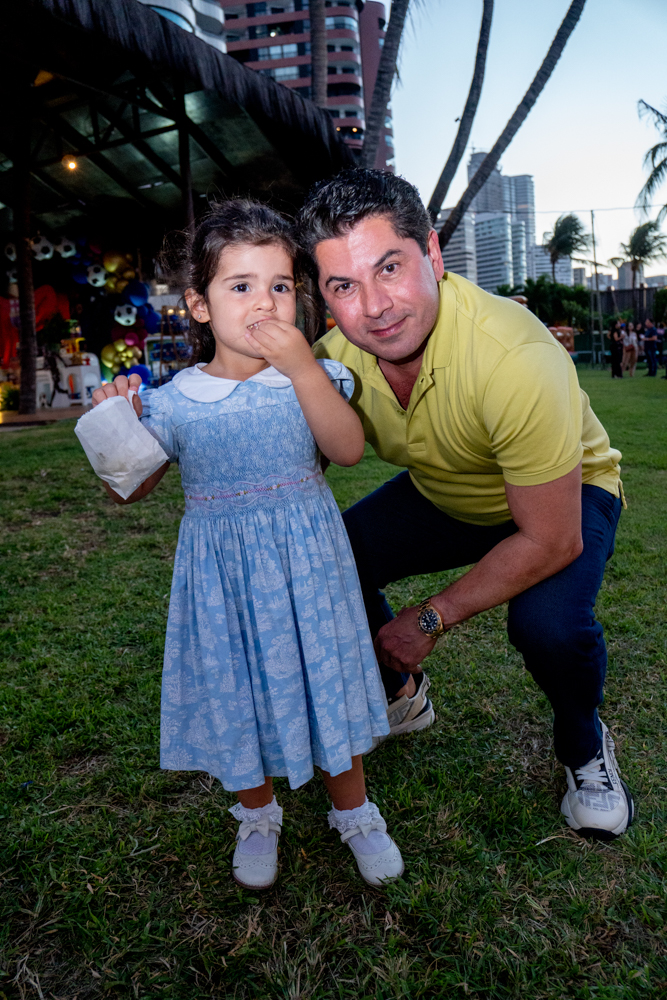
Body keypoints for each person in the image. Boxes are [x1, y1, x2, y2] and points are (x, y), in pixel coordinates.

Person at [300, 168, 634, 841]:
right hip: (447, 492)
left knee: (546, 624)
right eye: (343, 286)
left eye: (389, 267)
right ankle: (402, 700)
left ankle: (583, 746)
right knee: (326, 553)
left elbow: (549, 540)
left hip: (563, 499)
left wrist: (428, 618)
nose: (374, 305)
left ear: (432, 255)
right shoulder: (334, 359)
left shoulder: (514, 355)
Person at [90, 201, 403, 889]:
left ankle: (353, 812)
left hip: (308, 571)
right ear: (200, 306)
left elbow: (347, 451)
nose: (264, 301)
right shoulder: (173, 402)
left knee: (323, 683)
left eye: (281, 285)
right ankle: (256, 814)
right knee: (240, 691)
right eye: (241, 286)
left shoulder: (315, 379)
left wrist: (302, 372)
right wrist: (115, 423)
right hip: (222, 580)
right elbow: (128, 490)